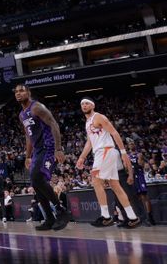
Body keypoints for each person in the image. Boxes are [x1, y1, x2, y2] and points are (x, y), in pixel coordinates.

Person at [75, 98, 140, 228]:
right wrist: (82, 157)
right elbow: (89, 142)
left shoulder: (98, 117)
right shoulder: (88, 122)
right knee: (115, 185)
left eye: (87, 103)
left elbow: (114, 132)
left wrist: (123, 152)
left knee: (96, 180)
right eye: (82, 104)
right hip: (102, 152)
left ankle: (106, 216)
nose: (84, 105)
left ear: (93, 105)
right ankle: (133, 218)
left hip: (106, 151)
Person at [14, 84, 70, 231]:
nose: (18, 93)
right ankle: (49, 218)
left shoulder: (36, 107)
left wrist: (58, 148)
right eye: (16, 91)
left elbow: (54, 124)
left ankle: (61, 210)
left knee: (37, 177)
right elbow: (28, 135)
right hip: (38, 150)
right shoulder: (22, 114)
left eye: (21, 90)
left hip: (48, 147)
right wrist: (27, 156)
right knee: (35, 181)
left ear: (28, 92)